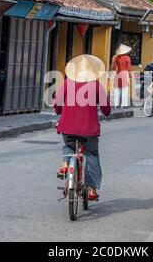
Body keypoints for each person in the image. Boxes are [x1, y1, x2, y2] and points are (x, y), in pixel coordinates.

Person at [54, 54, 111, 201]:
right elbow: (106, 109)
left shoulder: (67, 83)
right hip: (89, 130)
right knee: (91, 154)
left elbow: (57, 104)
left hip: (68, 127)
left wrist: (59, 111)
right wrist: (106, 112)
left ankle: (66, 164)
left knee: (68, 146)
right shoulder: (97, 85)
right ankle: (92, 190)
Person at [112, 44, 132, 108]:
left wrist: (113, 60)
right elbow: (129, 68)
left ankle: (115, 104)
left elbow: (114, 68)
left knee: (117, 90)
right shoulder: (127, 58)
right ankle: (123, 104)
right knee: (125, 90)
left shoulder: (116, 58)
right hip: (125, 74)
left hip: (118, 74)